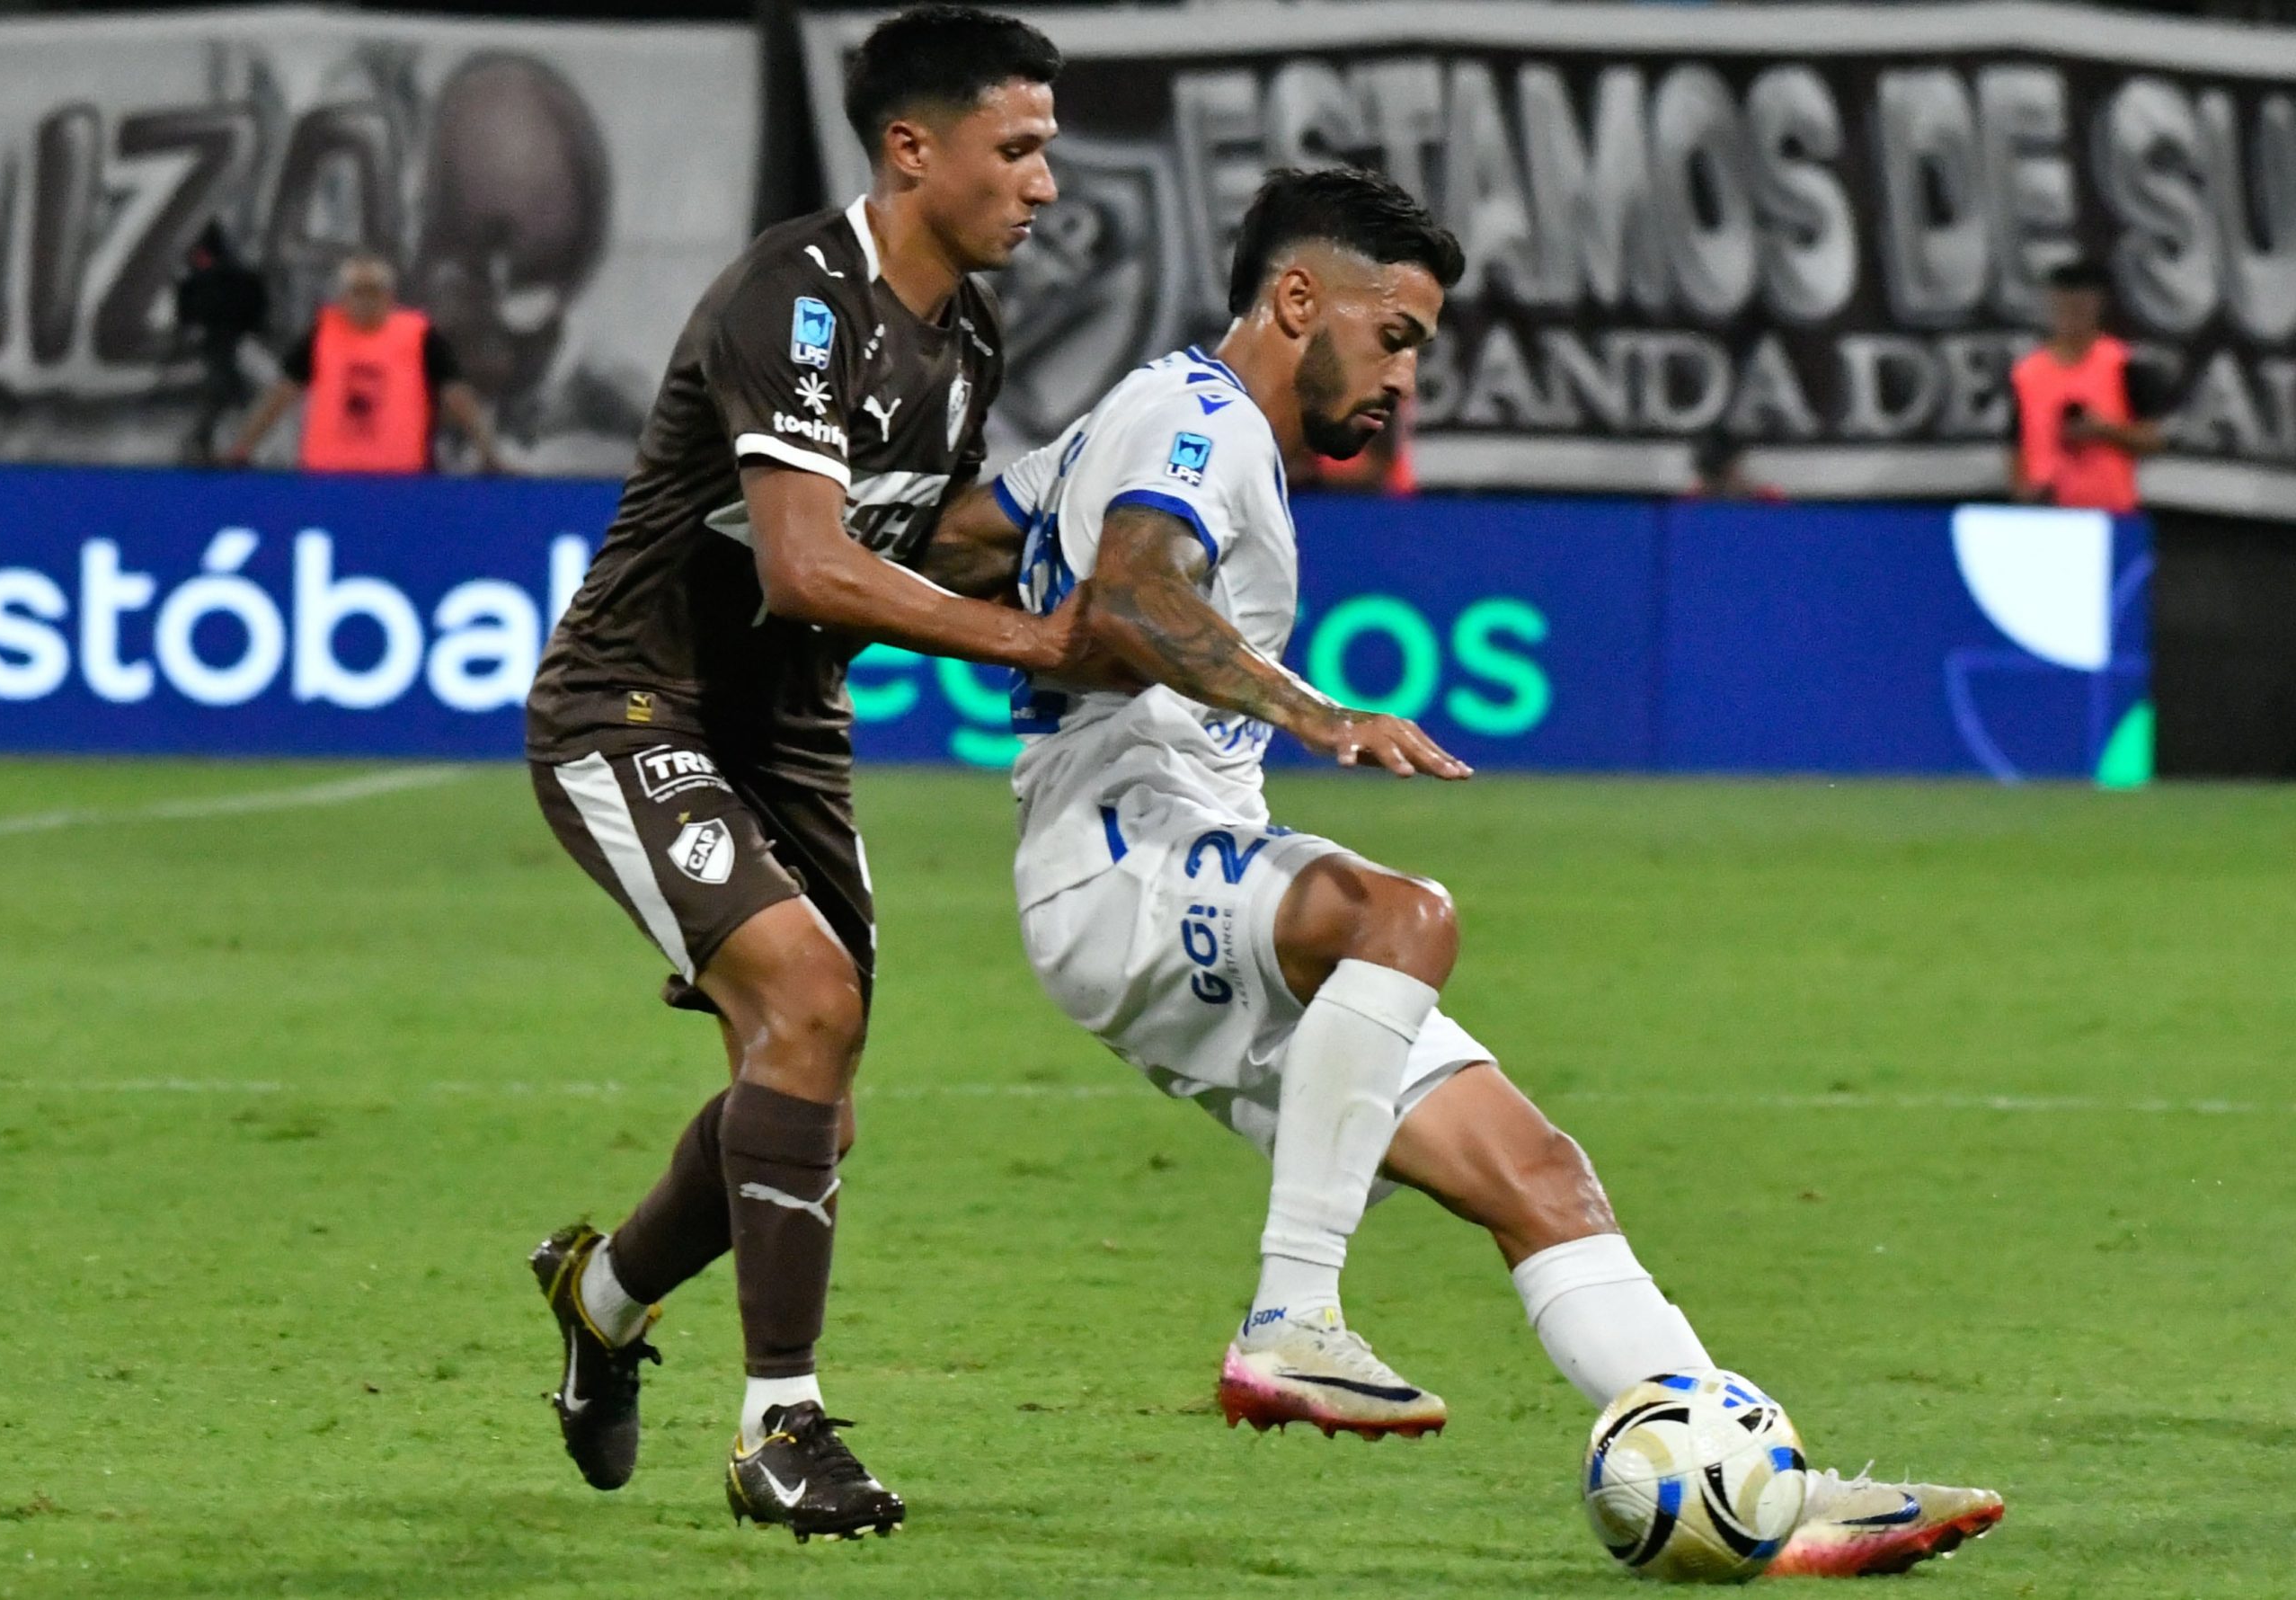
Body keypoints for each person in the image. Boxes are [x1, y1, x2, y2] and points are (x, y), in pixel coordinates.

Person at [926, 165, 2005, 1578]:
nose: (1402, 377)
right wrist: (1319, 713)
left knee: (1540, 1176)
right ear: (1297, 298)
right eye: (1397, 336)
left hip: (1185, 882)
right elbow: (1132, 590)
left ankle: (1763, 1484)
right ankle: (1289, 1321)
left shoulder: (1154, 418)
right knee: (1401, 914)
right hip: (1124, 858)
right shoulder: (1195, 417)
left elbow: (958, 533)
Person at [521, 4, 1091, 1545]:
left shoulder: (964, 332)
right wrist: (1035, 637)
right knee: (812, 1009)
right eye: (1018, 148)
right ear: (914, 148)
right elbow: (808, 563)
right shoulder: (799, 300)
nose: (1046, 182)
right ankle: (782, 1427)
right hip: (636, 709)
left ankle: (605, 1297)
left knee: (809, 1107)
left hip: (786, 738)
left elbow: (935, 515)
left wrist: (1104, 522)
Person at [224, 253, 505, 474]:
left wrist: (489, 454)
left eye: (374, 291)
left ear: (390, 296)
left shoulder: (419, 336)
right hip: (330, 475)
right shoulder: (322, 335)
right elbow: (281, 394)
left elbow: (458, 398)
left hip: (400, 477)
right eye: (357, 291)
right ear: (343, 296)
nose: (366, 300)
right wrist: (242, 448)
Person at [2007, 258, 2168, 512]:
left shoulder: (2122, 364)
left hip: (2110, 512)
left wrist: (2105, 431)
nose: (2072, 311)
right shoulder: (2027, 373)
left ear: (2097, 305)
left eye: (2080, 303)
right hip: (2047, 513)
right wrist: (2024, 494)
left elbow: (2153, 440)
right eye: (2065, 302)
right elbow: (2016, 447)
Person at [174, 221, 268, 466]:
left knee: (225, 388)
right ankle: (220, 441)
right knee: (227, 388)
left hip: (222, 339)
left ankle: (212, 441)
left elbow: (189, 312)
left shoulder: (200, 278)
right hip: (228, 339)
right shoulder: (238, 275)